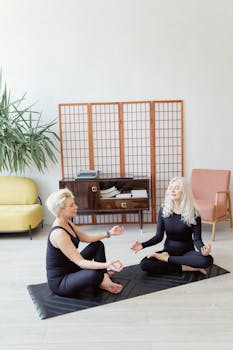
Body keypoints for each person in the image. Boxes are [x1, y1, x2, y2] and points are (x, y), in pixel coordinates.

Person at [45, 188, 124, 297]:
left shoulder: (67, 222)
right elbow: (80, 262)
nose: (76, 207)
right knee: (95, 274)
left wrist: (109, 233)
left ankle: (104, 278)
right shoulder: (59, 233)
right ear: (61, 211)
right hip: (61, 282)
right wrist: (107, 264)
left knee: (98, 245)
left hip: (71, 267)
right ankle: (103, 280)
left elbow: (86, 237)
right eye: (71, 205)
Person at [131, 176, 213, 275]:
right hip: (169, 251)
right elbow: (158, 237)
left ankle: (169, 260)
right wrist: (143, 245)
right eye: (171, 188)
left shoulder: (194, 214)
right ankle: (187, 267)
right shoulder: (164, 211)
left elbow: (197, 240)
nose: (172, 191)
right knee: (145, 264)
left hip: (187, 253)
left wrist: (202, 250)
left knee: (207, 260)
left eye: (177, 188)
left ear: (184, 192)